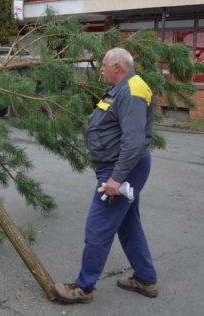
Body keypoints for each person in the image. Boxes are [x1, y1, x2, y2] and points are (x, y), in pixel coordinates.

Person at [51, 47, 158, 304]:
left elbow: (133, 143)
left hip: (122, 167)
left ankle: (83, 288)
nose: (100, 70)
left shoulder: (131, 91)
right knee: (128, 225)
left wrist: (116, 179)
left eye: (103, 66)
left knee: (98, 226)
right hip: (120, 166)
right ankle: (145, 279)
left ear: (117, 67)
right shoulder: (123, 88)